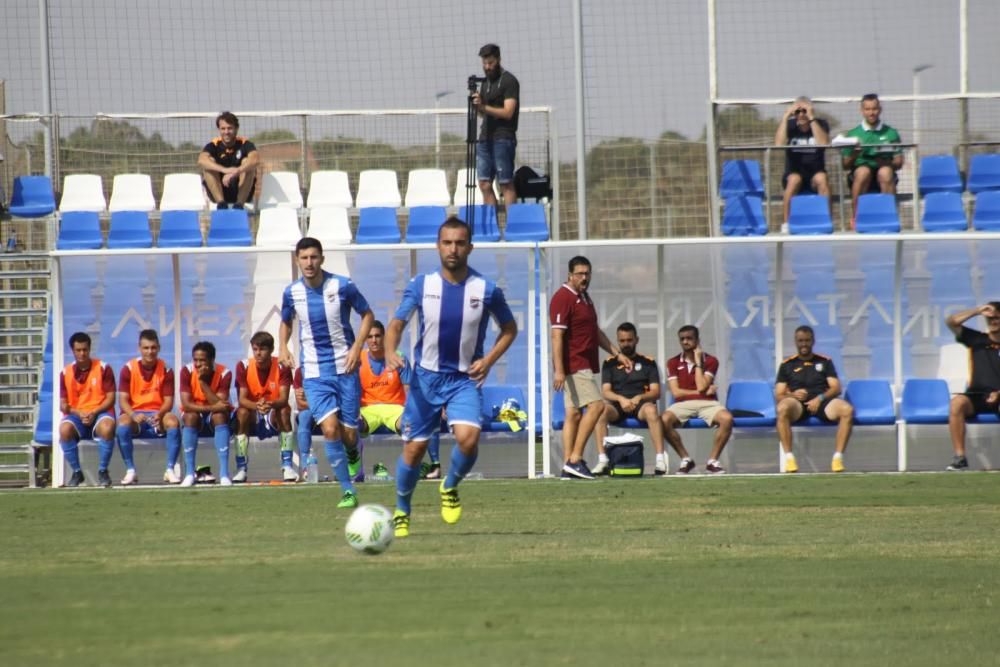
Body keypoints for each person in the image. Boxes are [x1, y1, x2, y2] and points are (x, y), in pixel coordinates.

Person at [384, 217, 518, 538]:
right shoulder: (421, 285)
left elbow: (510, 329)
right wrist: (391, 350)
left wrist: (488, 360)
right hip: (425, 380)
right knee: (414, 452)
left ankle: (450, 485)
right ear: (438, 246)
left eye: (460, 243)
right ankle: (402, 508)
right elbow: (397, 324)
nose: (453, 249)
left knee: (468, 440)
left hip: (463, 380)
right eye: (447, 242)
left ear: (470, 247)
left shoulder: (486, 289)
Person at [279, 237, 374, 509]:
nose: (309, 263)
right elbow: (285, 322)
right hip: (314, 372)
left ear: (322, 259)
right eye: (304, 258)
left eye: (313, 257)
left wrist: (357, 347)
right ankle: (348, 490)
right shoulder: (292, 292)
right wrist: (283, 346)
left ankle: (354, 449)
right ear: (297, 260)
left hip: (345, 368)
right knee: (329, 429)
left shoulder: (342, 286)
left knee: (348, 435)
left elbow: (367, 315)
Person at [550, 256, 633, 480]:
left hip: (583, 362)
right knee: (597, 407)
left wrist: (617, 354)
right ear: (570, 275)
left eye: (587, 273)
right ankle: (575, 459)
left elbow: (595, 332)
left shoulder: (584, 297)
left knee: (574, 414)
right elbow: (556, 336)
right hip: (574, 364)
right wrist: (559, 370)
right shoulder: (563, 297)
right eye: (579, 273)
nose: (584, 277)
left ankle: (568, 465)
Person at [358, 320, 442, 480]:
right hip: (368, 410)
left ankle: (426, 465)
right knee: (350, 425)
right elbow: (353, 391)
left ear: (384, 337)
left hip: (395, 409)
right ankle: (355, 472)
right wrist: (354, 412)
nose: (374, 340)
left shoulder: (398, 358)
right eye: (370, 337)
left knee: (421, 420)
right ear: (365, 339)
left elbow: (408, 390)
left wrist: (413, 412)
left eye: (377, 336)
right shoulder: (359, 359)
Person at [774, 325, 854, 473]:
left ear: (813, 341)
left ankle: (837, 458)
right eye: (800, 341)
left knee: (847, 410)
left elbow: (836, 388)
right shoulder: (787, 365)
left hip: (822, 402)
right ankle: (789, 459)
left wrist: (820, 398)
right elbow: (779, 395)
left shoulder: (824, 361)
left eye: (807, 340)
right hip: (797, 404)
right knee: (782, 408)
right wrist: (793, 395)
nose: (804, 344)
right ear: (795, 342)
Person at [592, 322, 667, 476]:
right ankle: (603, 460)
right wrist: (620, 399)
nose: (626, 344)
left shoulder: (648, 362)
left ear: (636, 340)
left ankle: (660, 459)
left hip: (641, 406)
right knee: (600, 411)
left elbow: (656, 392)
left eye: (629, 340)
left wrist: (639, 397)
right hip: (617, 406)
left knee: (652, 410)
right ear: (618, 341)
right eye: (622, 341)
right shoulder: (609, 363)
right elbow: (606, 392)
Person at [662, 325, 734, 474]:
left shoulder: (711, 361)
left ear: (697, 340)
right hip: (682, 404)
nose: (685, 342)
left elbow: (701, 385)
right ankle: (686, 460)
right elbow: (677, 393)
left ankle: (712, 461)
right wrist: (701, 391)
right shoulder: (673, 362)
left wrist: (698, 362)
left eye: (689, 338)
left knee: (726, 418)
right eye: (682, 339)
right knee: (663, 420)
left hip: (708, 403)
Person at [116, 329, 182, 485]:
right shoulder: (129, 368)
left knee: (173, 422)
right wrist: (133, 415)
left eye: (153, 347)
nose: (150, 351)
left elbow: (168, 401)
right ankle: (131, 470)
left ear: (159, 348)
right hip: (136, 414)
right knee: (123, 424)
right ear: (139, 348)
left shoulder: (166, 369)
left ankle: (170, 469)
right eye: (146, 348)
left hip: (158, 414)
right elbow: (123, 400)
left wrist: (160, 414)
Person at [944, 302, 1000, 471]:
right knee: (956, 404)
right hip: (977, 395)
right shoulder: (977, 339)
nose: (993, 321)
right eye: (990, 318)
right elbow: (951, 322)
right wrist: (977, 311)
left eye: (997, 317)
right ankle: (960, 458)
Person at [234, 331, 294, 482]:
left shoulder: (282, 366)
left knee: (285, 411)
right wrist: (257, 405)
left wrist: (269, 404)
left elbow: (283, 398)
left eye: (262, 349)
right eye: (255, 349)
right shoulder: (243, 366)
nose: (258, 353)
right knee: (241, 413)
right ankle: (241, 467)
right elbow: (242, 399)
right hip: (254, 412)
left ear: (271, 349)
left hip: (273, 411)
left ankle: (287, 466)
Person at [59, 332, 116, 488]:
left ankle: (103, 471)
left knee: (107, 427)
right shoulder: (65, 373)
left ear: (90, 349)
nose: (82, 353)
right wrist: (79, 413)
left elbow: (111, 398)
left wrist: (94, 412)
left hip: (100, 412)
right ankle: (77, 473)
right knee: (64, 429)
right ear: (73, 350)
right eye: (78, 350)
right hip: (78, 415)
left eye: (85, 349)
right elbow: (63, 405)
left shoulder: (104, 368)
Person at [178, 341, 234, 487]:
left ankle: (224, 474)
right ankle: (190, 473)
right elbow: (186, 404)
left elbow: (220, 405)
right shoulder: (186, 371)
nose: (197, 364)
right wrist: (213, 406)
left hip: (214, 415)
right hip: (196, 413)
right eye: (195, 360)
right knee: (190, 416)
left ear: (211, 360)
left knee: (220, 416)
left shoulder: (225, 373)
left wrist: (202, 383)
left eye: (202, 360)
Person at [841, 93, 904, 219]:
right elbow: (845, 165)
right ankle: (857, 217)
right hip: (861, 172)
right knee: (863, 172)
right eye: (867, 109)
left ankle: (890, 216)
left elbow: (899, 162)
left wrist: (888, 164)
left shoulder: (891, 133)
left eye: (874, 109)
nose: (871, 113)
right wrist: (855, 154)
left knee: (885, 172)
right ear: (862, 111)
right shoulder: (853, 134)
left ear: (880, 110)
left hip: (884, 170)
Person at [472, 43, 519, 207]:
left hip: (503, 138)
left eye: (490, 63)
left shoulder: (509, 81)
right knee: (484, 183)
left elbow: (508, 112)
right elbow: (482, 114)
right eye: (484, 64)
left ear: (498, 60)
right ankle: (492, 226)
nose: (487, 67)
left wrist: (484, 107)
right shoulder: (485, 83)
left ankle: (512, 226)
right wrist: (478, 106)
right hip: (485, 138)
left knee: (505, 182)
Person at [775, 96, 831, 224]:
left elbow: (823, 143)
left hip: (815, 174)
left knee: (822, 178)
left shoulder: (821, 124)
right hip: (794, 174)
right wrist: (785, 117)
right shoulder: (789, 126)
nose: (801, 114)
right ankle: (786, 223)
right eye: (798, 111)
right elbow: (778, 144)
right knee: (794, 179)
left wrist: (811, 119)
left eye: (804, 111)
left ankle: (826, 221)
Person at [198, 111, 259, 209]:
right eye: (223, 128)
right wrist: (225, 170)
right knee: (209, 163)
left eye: (230, 128)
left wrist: (236, 171)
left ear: (236, 129)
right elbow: (201, 160)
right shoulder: (213, 145)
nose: (226, 132)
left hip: (242, 192)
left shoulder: (245, 144)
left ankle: (239, 205)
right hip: (220, 192)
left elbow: (255, 160)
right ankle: (221, 204)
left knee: (247, 163)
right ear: (219, 130)